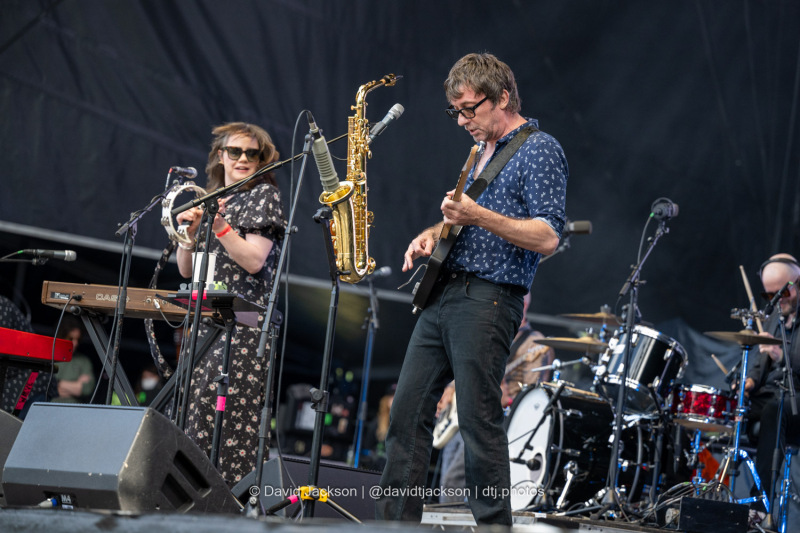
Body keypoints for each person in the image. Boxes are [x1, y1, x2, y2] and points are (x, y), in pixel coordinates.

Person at [375, 53, 568, 525]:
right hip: (444, 294)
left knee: (479, 422)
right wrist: (432, 234)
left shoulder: (539, 149)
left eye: (470, 109)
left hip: (489, 299)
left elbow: (547, 236)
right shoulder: (481, 150)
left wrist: (474, 214)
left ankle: (494, 527)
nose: (462, 120)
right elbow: (467, 222)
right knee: (406, 414)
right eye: (455, 111)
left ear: (502, 97)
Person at [175, 122, 285, 486]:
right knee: (194, 418)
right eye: (234, 152)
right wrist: (187, 236)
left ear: (260, 159)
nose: (242, 159)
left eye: (251, 154)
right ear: (220, 156)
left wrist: (219, 225)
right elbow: (187, 269)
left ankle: (228, 507)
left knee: (232, 426)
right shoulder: (208, 198)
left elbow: (254, 260)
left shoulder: (264, 196)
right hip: (205, 324)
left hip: (243, 327)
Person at [744, 253, 800, 504]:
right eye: (770, 296)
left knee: (775, 411)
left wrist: (780, 355)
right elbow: (760, 362)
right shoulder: (776, 317)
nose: (777, 301)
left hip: (795, 398)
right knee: (729, 404)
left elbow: (778, 357)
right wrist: (749, 383)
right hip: (773, 393)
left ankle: (760, 502)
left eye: (782, 294)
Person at [50, 316, 96, 403]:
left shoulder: (83, 361)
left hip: (74, 410)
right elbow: (43, 386)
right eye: (71, 338)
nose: (75, 343)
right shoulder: (49, 357)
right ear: (61, 336)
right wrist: (75, 384)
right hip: (49, 408)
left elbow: (86, 388)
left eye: (78, 339)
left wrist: (58, 384)